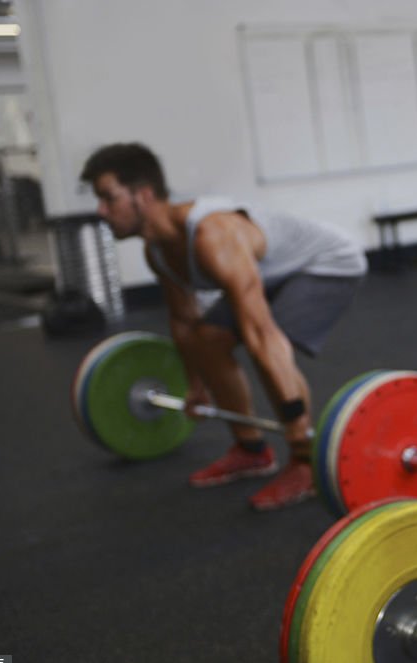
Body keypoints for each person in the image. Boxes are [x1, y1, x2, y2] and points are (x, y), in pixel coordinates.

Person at [79, 143, 367, 511]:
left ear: (144, 195)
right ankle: (251, 450)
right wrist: (195, 386)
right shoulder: (158, 251)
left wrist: (295, 417)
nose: (102, 211)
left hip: (325, 264)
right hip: (269, 271)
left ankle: (305, 461)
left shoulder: (212, 234)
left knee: (260, 342)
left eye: (108, 198)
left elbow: (262, 333)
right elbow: (184, 322)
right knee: (208, 338)